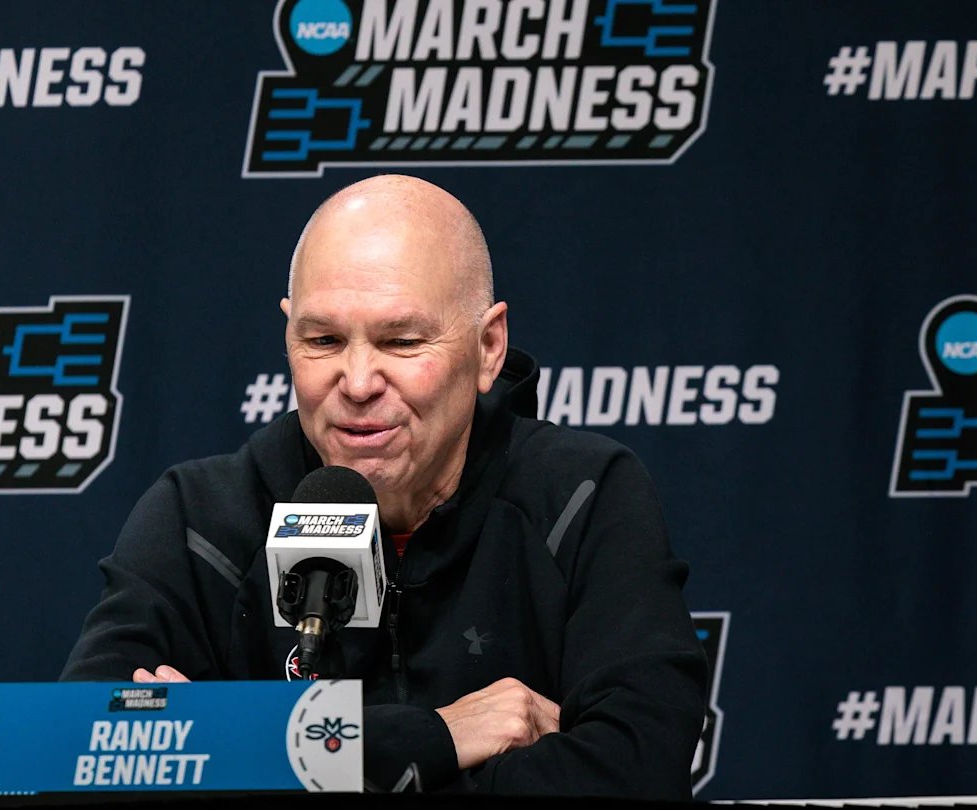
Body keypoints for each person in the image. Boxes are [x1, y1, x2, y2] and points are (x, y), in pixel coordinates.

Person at [62, 175, 706, 796]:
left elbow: (639, 769)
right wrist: (434, 739)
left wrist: (231, 745)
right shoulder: (199, 520)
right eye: (323, 340)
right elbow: (76, 754)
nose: (358, 381)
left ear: (488, 347)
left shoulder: (581, 496)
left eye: (401, 341)